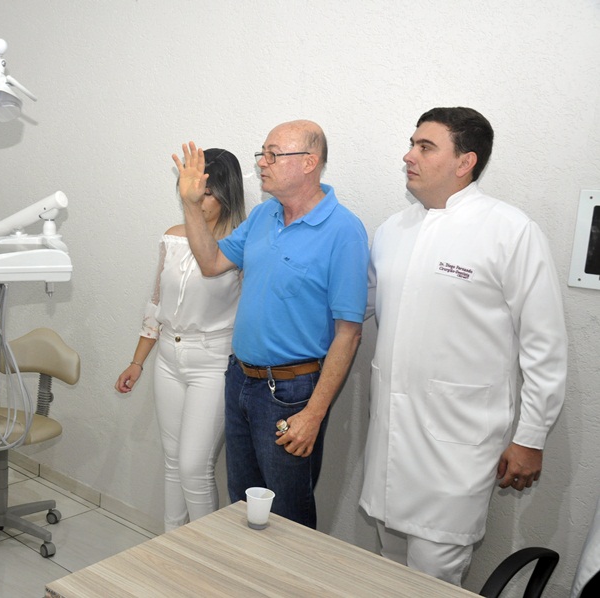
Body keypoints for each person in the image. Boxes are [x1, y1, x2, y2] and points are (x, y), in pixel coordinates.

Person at [359, 107, 568, 585]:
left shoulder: (510, 231)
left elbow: (545, 346)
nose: (408, 156)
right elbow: (357, 308)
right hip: (390, 437)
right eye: (411, 144)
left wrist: (531, 437)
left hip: (457, 445)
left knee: (435, 577)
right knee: (388, 568)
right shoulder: (392, 231)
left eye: (425, 147)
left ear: (465, 161)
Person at [173, 120, 369, 528]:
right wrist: (191, 205)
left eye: (273, 155)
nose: (262, 163)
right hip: (240, 379)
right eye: (262, 153)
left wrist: (313, 414)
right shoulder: (264, 215)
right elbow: (211, 262)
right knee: (243, 504)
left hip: (291, 393)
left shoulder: (344, 230)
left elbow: (349, 335)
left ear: (309, 162)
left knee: (287, 516)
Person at [115, 148, 246, 531]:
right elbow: (156, 303)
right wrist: (137, 361)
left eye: (205, 192)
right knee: (173, 461)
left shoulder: (240, 245)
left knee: (194, 466)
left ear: (226, 194)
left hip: (214, 362)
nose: (195, 199)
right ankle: (171, 542)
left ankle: (205, 555)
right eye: (189, 189)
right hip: (168, 359)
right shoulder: (172, 238)